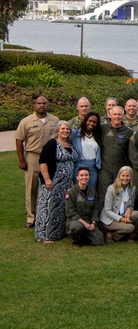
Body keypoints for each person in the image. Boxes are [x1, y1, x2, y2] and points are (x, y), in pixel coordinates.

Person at [15, 95, 59, 228]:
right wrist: (21, 159)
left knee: (51, 186)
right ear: (34, 105)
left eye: (44, 103)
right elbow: (19, 140)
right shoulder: (26, 121)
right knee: (32, 188)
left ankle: (50, 214)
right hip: (33, 157)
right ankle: (31, 217)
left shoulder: (55, 120)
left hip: (50, 158)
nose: (41, 105)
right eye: (39, 103)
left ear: (47, 105)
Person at [34, 120, 79, 242]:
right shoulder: (52, 144)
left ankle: (57, 233)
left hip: (65, 184)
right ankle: (44, 235)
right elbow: (43, 162)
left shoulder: (69, 144)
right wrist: (47, 179)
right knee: (48, 207)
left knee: (59, 208)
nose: (65, 131)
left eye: (67, 129)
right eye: (62, 129)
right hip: (52, 182)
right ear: (57, 131)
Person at [98, 106, 132, 200]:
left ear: (123, 115)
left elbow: (129, 152)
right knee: (103, 194)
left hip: (120, 167)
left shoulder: (128, 132)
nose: (117, 117)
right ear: (110, 115)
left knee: (118, 193)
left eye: (119, 114)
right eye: (115, 114)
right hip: (104, 168)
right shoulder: (102, 128)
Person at [100, 166, 138, 242]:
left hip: (123, 215)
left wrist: (129, 209)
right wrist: (122, 220)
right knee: (130, 227)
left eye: (127, 176)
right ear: (119, 176)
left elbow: (131, 205)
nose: (125, 178)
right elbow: (107, 211)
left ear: (131, 177)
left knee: (136, 214)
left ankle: (126, 235)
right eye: (123, 176)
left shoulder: (132, 188)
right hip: (110, 219)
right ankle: (111, 234)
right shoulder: (111, 189)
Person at [65, 168, 104, 246]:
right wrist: (84, 224)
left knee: (99, 241)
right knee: (77, 228)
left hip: (89, 221)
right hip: (75, 220)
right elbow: (71, 212)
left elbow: (95, 208)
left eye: (86, 175)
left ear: (89, 177)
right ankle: (76, 239)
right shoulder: (70, 193)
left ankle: (84, 236)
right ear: (77, 177)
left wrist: (93, 223)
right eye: (81, 175)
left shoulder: (92, 191)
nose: (84, 177)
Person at [71, 112, 102, 190]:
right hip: (80, 165)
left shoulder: (98, 135)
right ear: (85, 121)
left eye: (95, 122)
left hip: (93, 166)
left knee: (91, 191)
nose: (91, 124)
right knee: (79, 191)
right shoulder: (75, 133)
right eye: (90, 121)